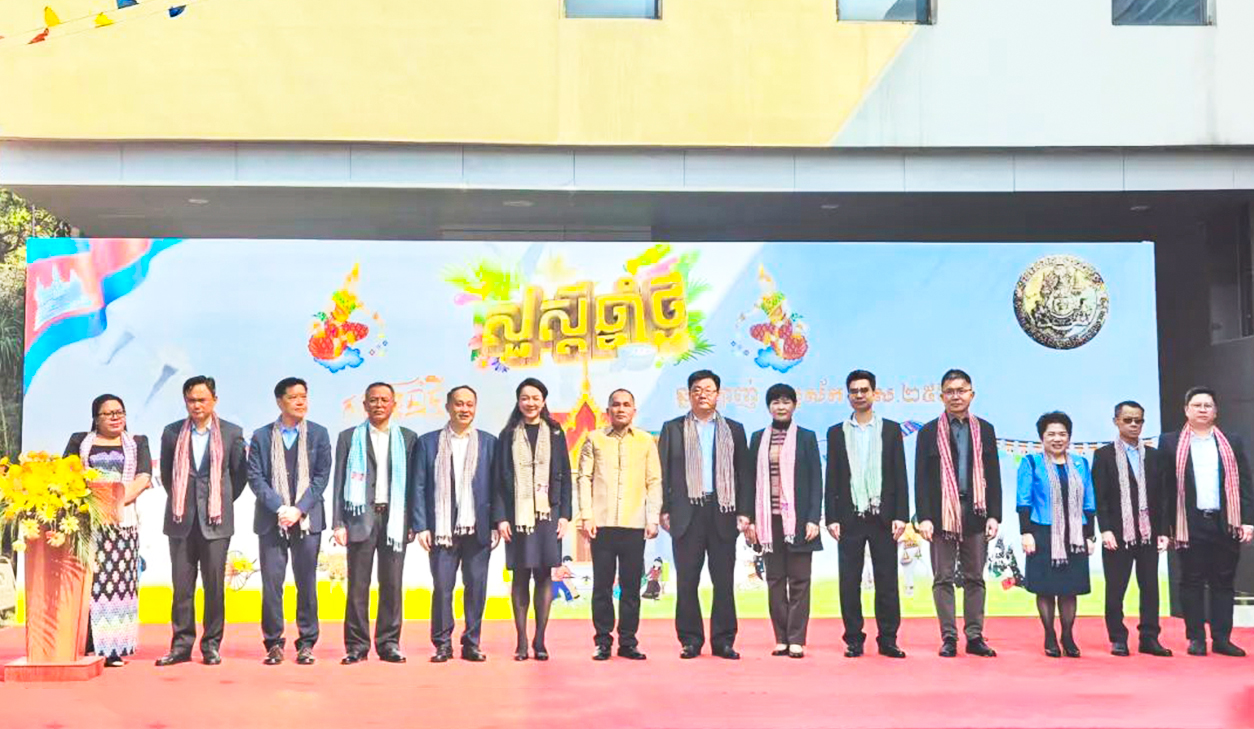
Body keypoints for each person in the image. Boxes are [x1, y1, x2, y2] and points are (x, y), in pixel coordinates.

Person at [155, 376, 249, 667]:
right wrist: (184, 502)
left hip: (216, 523)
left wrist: (217, 502)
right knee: (182, 588)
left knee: (214, 587)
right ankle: (181, 646)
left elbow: (239, 476)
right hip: (181, 521)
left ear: (214, 400)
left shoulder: (232, 433)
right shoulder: (172, 433)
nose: (197, 405)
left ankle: (211, 646)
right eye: (191, 400)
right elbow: (169, 475)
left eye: (202, 400)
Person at [658, 370, 750, 660]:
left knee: (723, 581)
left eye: (708, 390)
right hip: (686, 513)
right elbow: (662, 473)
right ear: (689, 394)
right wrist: (664, 509)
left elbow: (744, 473)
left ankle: (724, 641)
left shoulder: (734, 429)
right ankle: (690, 640)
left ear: (718, 395)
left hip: (723, 511)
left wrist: (744, 511)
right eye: (696, 389)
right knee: (687, 581)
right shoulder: (673, 429)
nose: (702, 394)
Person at [1157, 387, 1254, 657]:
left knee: (1224, 582)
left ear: (1215, 411)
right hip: (1189, 523)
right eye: (1197, 405)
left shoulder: (1231, 442)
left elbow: (1245, 484)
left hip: (1225, 522)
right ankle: (1196, 638)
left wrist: (1248, 521)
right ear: (1186, 410)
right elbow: (1164, 488)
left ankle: (1222, 639)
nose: (1202, 409)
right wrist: (1164, 528)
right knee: (1192, 581)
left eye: (1207, 405)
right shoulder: (1170, 442)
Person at [914, 368, 1002, 658]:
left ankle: (975, 636)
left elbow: (993, 474)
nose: (956, 396)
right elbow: (921, 478)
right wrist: (924, 517)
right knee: (943, 578)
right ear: (941, 396)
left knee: (975, 577)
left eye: (961, 390)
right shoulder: (928, 432)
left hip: (976, 511)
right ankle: (949, 637)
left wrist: (994, 515)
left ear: (971, 394)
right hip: (941, 514)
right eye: (950, 391)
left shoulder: (985, 429)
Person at [247, 377, 333, 666]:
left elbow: (321, 477)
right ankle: (273, 643)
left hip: (307, 520)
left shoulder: (319, 434)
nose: (300, 402)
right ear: (279, 401)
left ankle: (306, 642)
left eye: (303, 396)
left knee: (306, 583)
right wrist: (280, 508)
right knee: (272, 584)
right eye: (293, 397)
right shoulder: (261, 436)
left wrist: (299, 509)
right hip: (271, 520)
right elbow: (255, 477)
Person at [411, 385, 499, 663]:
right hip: (441, 529)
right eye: (459, 404)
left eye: (469, 404)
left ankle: (471, 643)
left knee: (476, 587)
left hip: (478, 528)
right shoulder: (428, 443)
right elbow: (418, 486)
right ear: (448, 407)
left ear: (475, 408)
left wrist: (496, 523)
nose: (464, 409)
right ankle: (442, 644)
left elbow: (498, 487)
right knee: (442, 588)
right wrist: (421, 525)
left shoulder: (489, 443)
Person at [64, 394, 153, 667]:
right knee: (87, 583)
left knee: (117, 585)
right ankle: (84, 644)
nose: (115, 417)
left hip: (122, 525)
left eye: (120, 412)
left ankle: (113, 649)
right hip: (87, 523)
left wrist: (115, 501)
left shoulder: (137, 442)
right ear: (96, 418)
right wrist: (94, 504)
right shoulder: (80, 441)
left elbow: (143, 477)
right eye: (108, 413)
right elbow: (67, 474)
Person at [332, 382, 418, 665]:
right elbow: (339, 483)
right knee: (358, 586)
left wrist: (413, 522)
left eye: (384, 400)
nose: (379, 405)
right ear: (364, 405)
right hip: (360, 519)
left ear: (393, 404)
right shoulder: (349, 437)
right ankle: (356, 646)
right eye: (373, 400)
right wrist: (338, 522)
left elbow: (414, 485)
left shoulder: (408, 438)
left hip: (395, 520)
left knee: (392, 584)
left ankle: (389, 643)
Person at [826, 369, 909, 659]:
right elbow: (832, 477)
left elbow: (900, 474)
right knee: (849, 582)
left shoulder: (890, 430)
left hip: (883, 516)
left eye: (864, 390)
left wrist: (901, 514)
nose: (859, 395)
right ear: (848, 396)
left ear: (874, 393)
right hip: (849, 517)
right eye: (854, 391)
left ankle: (888, 639)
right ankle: (853, 639)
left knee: (887, 582)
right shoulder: (836, 432)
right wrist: (831, 517)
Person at [577, 388, 662, 661]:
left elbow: (654, 481)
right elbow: (584, 478)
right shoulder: (594, 439)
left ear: (634, 411)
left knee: (631, 588)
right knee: (602, 587)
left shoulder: (646, 441)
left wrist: (652, 518)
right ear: (608, 411)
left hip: (634, 524)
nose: (621, 409)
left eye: (626, 405)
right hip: (601, 524)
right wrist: (586, 515)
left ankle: (628, 642)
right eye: (616, 405)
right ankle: (602, 642)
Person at [493, 378, 573, 662]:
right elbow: (498, 481)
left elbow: (565, 475)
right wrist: (501, 518)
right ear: (518, 401)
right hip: (517, 516)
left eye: (535, 398)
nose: (530, 403)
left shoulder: (555, 432)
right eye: (525, 398)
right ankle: (521, 641)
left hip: (547, 515)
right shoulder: (508, 435)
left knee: (543, 575)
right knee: (520, 575)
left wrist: (565, 515)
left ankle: (540, 640)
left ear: (543, 401)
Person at [745, 383, 822, 659]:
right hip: (769, 523)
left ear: (794, 405)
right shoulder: (757, 438)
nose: (781, 406)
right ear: (769, 407)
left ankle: (797, 638)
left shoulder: (807, 437)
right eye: (775, 402)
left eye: (786, 401)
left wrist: (813, 518)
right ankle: (781, 638)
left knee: (800, 580)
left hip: (799, 522)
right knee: (775, 580)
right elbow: (749, 481)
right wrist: (751, 521)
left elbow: (816, 481)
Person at [1091, 401, 1172, 657]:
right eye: (1128, 420)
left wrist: (1164, 531)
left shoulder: (1155, 456)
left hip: (1149, 533)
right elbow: (1100, 497)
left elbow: (1164, 497)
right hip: (1117, 534)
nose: (1134, 424)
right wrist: (1105, 530)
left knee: (1150, 588)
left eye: (1139, 420)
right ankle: (1117, 638)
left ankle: (1149, 637)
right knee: (1116, 588)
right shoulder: (1103, 456)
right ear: (1116, 421)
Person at [1016, 411, 1097, 658]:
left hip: (1075, 534)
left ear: (1069, 437)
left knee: (1069, 589)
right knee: (1045, 588)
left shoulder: (1081, 463)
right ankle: (1050, 635)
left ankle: (1068, 635)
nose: (1057, 439)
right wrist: (1026, 533)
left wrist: (1090, 535)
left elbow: (1089, 500)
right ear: (1042, 437)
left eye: (1062, 434)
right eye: (1051, 434)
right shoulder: (1031, 462)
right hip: (1042, 531)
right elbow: (1023, 500)